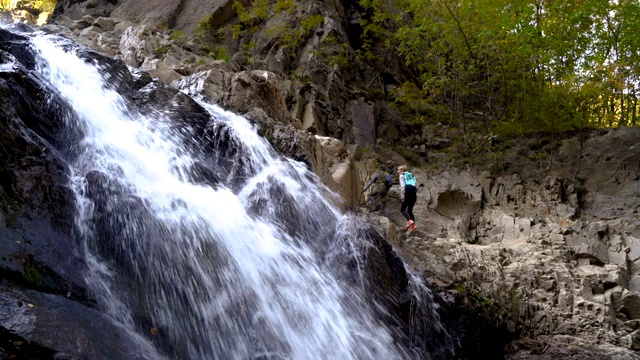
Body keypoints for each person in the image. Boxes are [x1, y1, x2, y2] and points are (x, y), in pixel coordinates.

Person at [397, 165, 417, 231]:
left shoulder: (402, 175)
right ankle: (413, 225)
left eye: (399, 170)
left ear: (402, 170)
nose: (398, 171)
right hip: (414, 193)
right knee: (409, 210)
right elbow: (416, 185)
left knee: (402, 209)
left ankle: (410, 221)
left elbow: (403, 186)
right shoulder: (411, 175)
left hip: (407, 193)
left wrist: (402, 195)